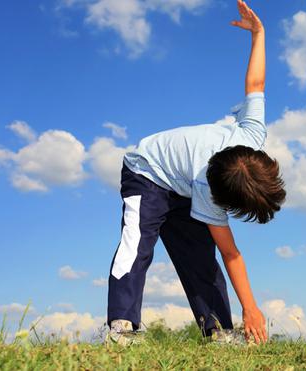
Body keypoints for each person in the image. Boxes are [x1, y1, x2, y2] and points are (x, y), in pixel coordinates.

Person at [106, 0, 283, 345]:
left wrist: (259, 34)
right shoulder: (207, 187)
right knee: (137, 244)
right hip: (147, 172)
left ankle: (218, 331)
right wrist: (252, 308)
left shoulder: (252, 135)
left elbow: (256, 83)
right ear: (220, 197)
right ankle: (122, 328)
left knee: (200, 257)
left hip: (183, 184)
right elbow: (233, 253)